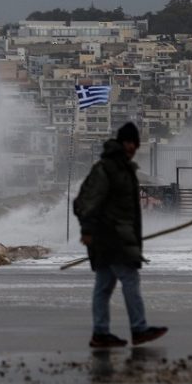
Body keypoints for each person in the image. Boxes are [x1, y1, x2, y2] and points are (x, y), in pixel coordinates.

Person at [73, 122, 168, 348]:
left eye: (134, 143)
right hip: (111, 237)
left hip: (115, 236)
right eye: (127, 142)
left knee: (104, 285)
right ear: (120, 142)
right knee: (130, 280)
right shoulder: (107, 168)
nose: (131, 147)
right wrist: (87, 230)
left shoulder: (124, 169)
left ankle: (100, 333)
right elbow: (86, 202)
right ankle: (139, 328)